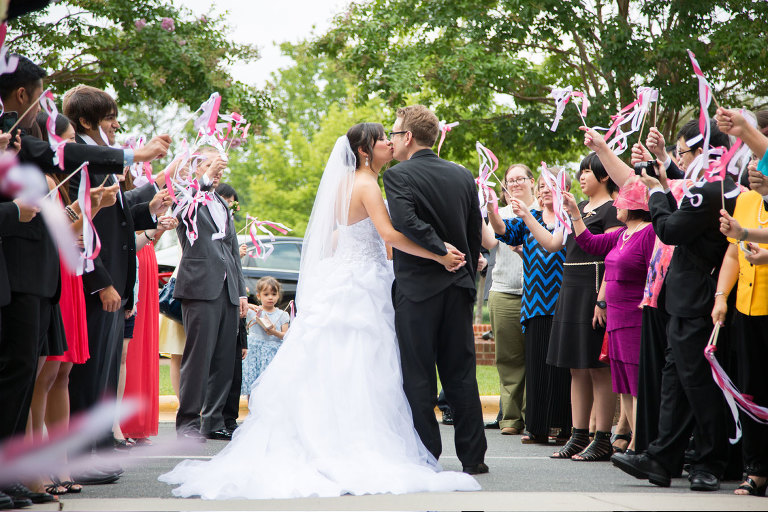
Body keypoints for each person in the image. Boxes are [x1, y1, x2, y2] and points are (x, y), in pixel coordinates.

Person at [159, 123, 479, 498]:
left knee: (339, 362)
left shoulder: (347, 184)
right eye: (381, 141)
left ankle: (329, 435)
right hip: (363, 285)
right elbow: (390, 236)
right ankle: (358, 441)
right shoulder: (367, 184)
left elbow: (342, 235)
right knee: (363, 362)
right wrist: (439, 255)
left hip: (348, 277)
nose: (389, 145)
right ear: (364, 151)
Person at [610, 118, 738, 492]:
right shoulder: (714, 186)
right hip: (686, 298)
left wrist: (655, 191)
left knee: (697, 383)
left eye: (682, 152)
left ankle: (708, 462)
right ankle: (661, 457)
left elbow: (670, 229)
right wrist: (664, 184)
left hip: (697, 298)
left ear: (702, 151)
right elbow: (682, 211)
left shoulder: (711, 188)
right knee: (675, 381)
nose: (678, 159)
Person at [384, 105, 488, 474]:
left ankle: (427, 455)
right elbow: (474, 232)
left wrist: (441, 251)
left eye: (394, 134)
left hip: (417, 290)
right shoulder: (462, 175)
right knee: (461, 373)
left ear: (408, 137)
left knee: (419, 375)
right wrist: (466, 274)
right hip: (458, 287)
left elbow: (406, 222)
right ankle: (474, 458)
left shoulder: (397, 175)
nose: (391, 141)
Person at [514, 153, 622, 461]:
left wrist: (603, 299)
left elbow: (611, 257)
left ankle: (602, 438)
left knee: (597, 368)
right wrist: (527, 216)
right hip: (571, 288)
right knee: (576, 368)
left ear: (604, 176)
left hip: (594, 288)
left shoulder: (613, 210)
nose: (581, 176)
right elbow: (552, 244)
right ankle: (578, 435)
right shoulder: (578, 207)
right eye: (581, 171)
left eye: (587, 171)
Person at [566, 181, 655, 454]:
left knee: (636, 382)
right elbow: (590, 243)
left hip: (635, 316)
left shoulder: (649, 233)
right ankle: (633, 444)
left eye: (622, 201)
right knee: (624, 384)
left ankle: (641, 444)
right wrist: (575, 213)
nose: (616, 204)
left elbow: (654, 273)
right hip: (615, 318)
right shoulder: (622, 234)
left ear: (635, 205)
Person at [487, 174, 571, 445]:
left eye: (551, 187)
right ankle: (536, 427)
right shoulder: (530, 217)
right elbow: (502, 230)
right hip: (535, 301)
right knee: (535, 365)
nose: (546, 191)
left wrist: (526, 215)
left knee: (559, 367)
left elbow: (554, 245)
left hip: (563, 300)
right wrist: (491, 207)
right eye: (542, 187)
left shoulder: (568, 218)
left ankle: (562, 426)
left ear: (564, 190)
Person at [481, 164, 537, 436]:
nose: (515, 184)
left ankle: (534, 417)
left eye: (520, 179)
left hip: (538, 295)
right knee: (508, 359)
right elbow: (490, 242)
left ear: (532, 181)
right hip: (504, 292)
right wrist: (484, 208)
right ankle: (511, 419)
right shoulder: (500, 214)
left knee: (536, 357)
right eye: (510, 180)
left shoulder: (544, 209)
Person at [241, 277, 289, 397]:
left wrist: (274, 332)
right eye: (266, 294)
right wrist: (249, 305)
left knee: (269, 384)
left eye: (274, 294)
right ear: (259, 296)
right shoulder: (253, 312)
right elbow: (238, 309)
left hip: (272, 353)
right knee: (252, 381)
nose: (270, 297)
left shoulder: (282, 315)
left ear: (278, 295)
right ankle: (252, 406)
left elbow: (286, 335)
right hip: (254, 352)